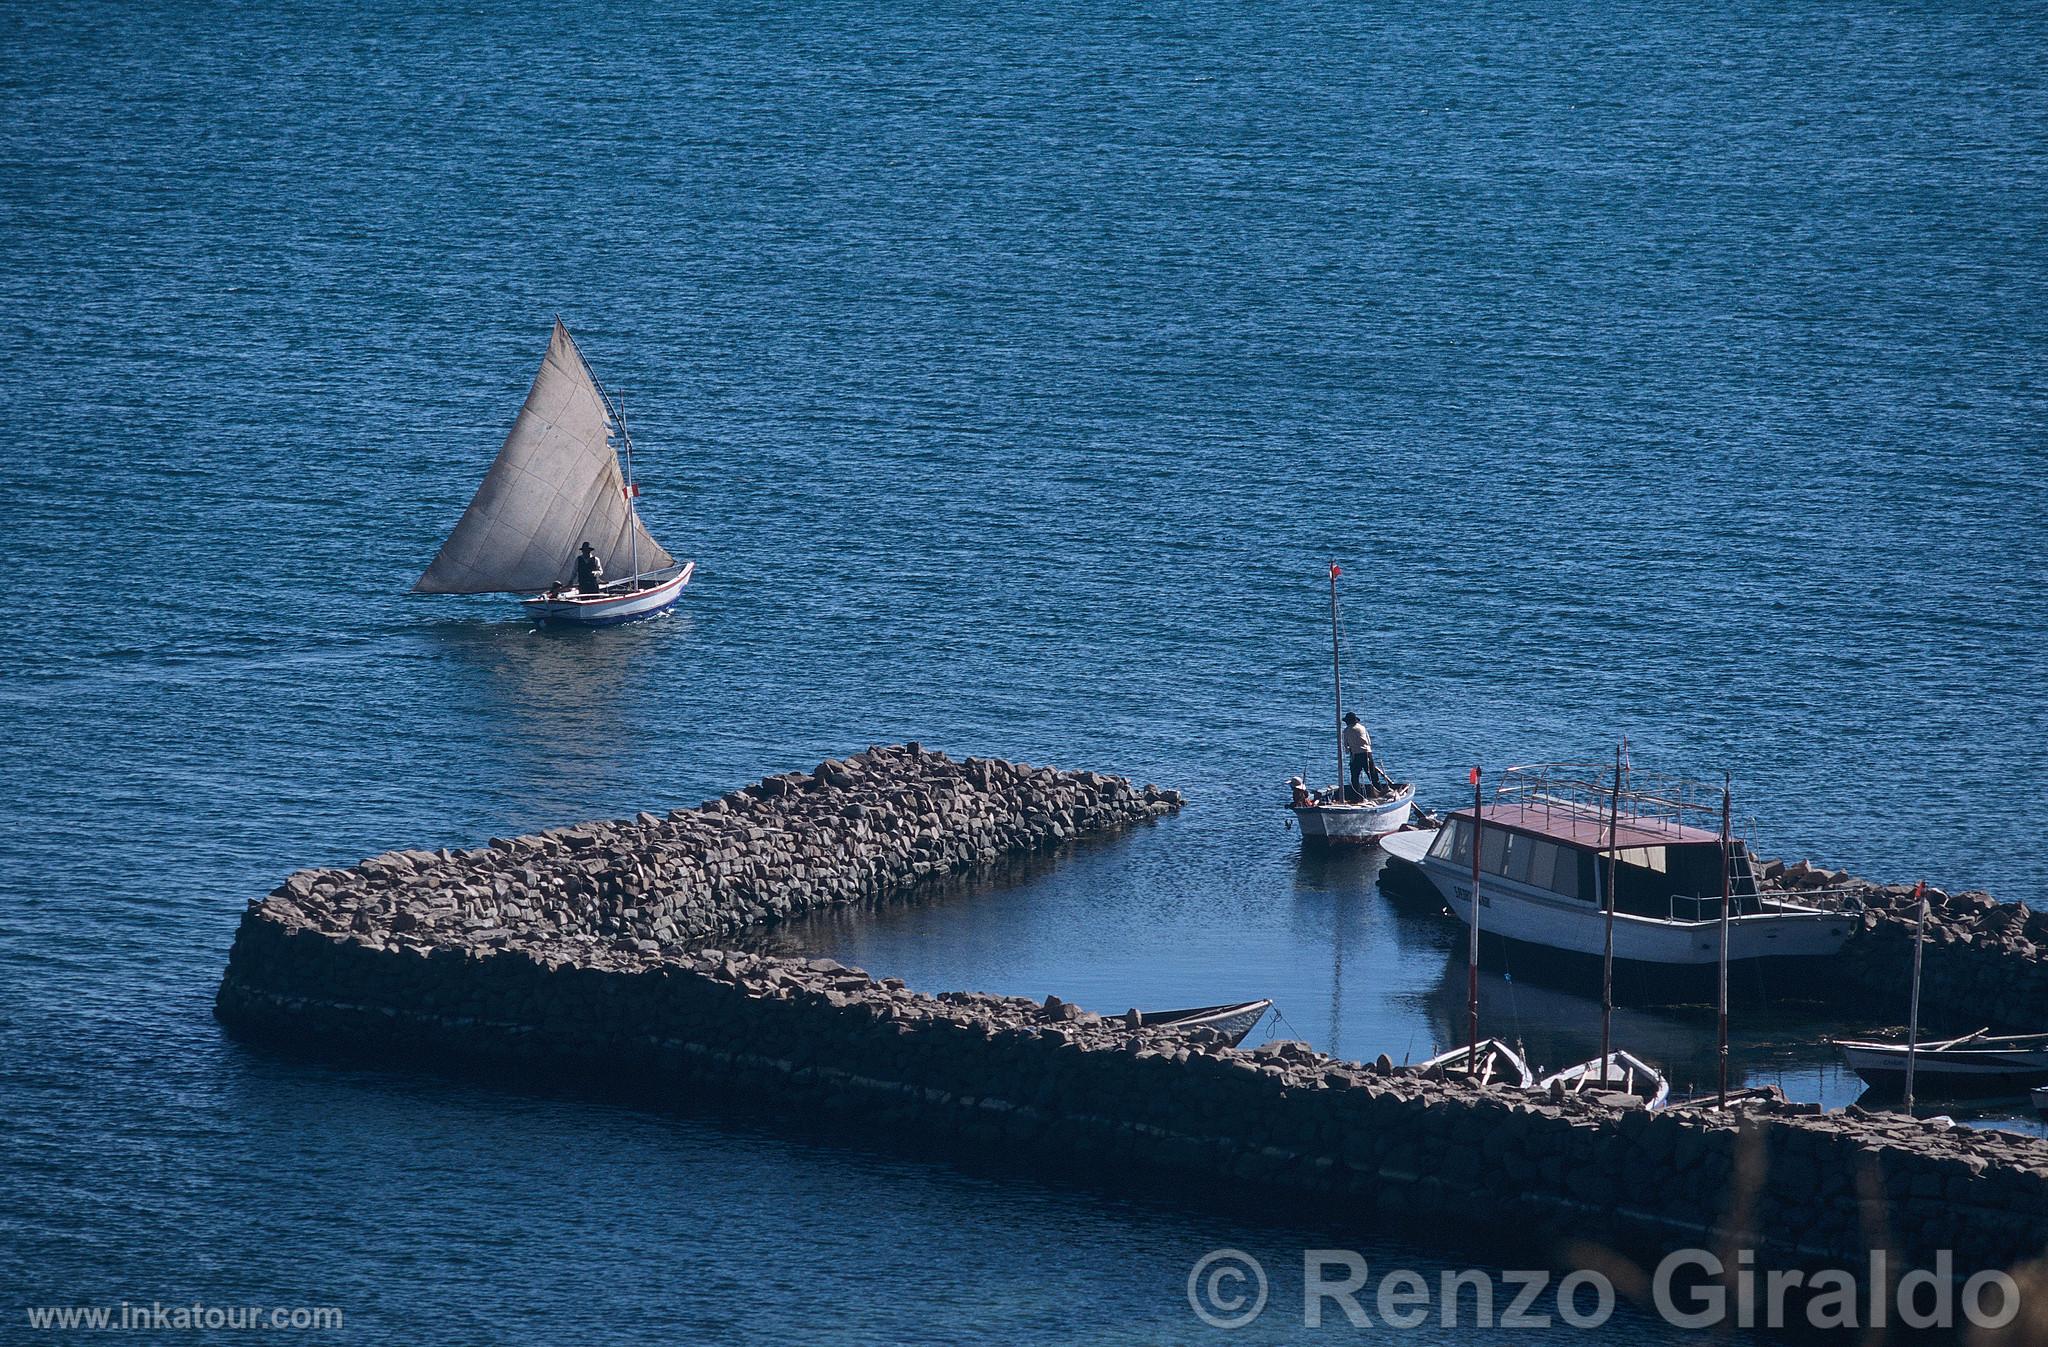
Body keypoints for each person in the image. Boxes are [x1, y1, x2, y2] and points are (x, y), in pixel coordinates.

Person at [1342, 712, 1395, 795]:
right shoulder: (1362, 728)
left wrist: (1349, 751)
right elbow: (1369, 741)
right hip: (1367, 753)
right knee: (1373, 775)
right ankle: (1380, 791)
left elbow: (1346, 745)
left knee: (1355, 777)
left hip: (1356, 755)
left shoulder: (1346, 731)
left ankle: (1357, 796)